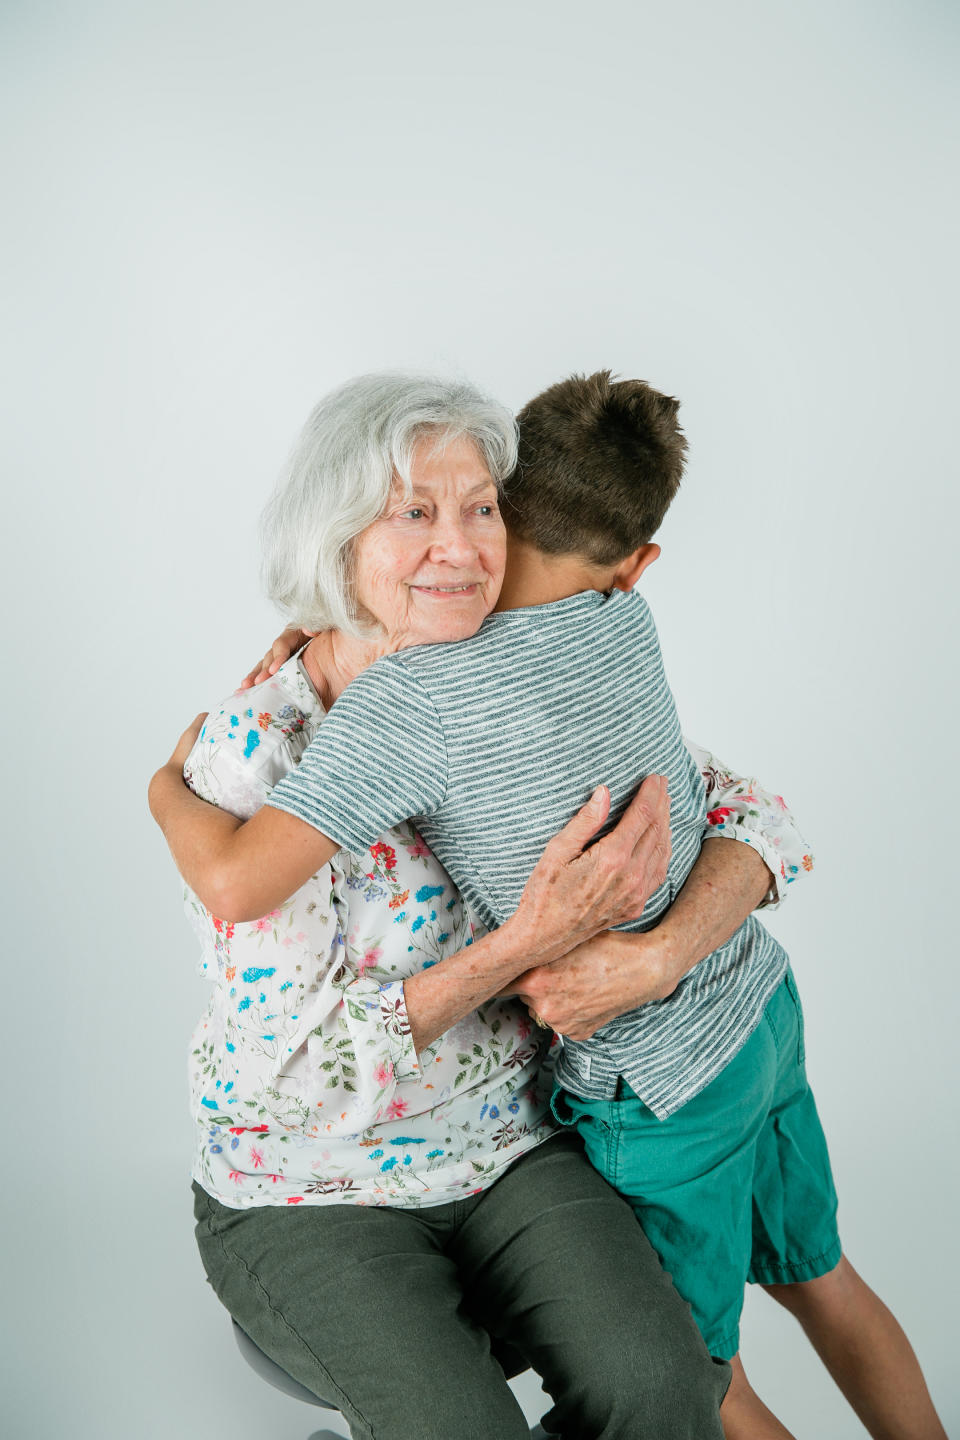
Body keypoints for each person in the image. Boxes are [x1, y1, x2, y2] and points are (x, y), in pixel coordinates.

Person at [153, 371, 946, 1440]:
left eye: (483, 507)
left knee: (673, 1381)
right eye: (415, 512)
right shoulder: (267, 754)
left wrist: (658, 955)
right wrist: (529, 942)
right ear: (339, 537)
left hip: (516, 1143)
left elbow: (747, 808)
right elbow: (302, 1074)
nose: (463, 544)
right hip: (315, 1184)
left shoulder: (508, 665)